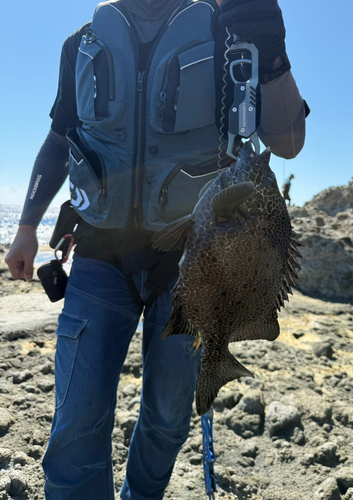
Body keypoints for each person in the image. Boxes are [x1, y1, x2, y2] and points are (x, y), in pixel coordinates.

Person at [5, 0, 309, 498]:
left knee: (168, 417)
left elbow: (288, 141)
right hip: (99, 257)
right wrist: (26, 227)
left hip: (195, 264)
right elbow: (60, 139)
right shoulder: (81, 43)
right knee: (76, 421)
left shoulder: (228, 33)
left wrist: (272, 55)